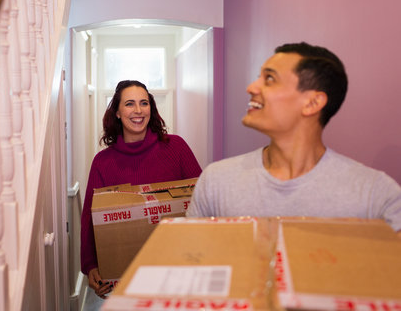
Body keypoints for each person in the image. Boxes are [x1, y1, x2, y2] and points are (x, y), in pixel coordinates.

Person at [186, 42, 401, 236]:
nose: (251, 87)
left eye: (269, 79)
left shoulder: (376, 195)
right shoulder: (216, 181)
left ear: (312, 103)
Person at [81, 80, 202, 299]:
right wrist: (90, 265)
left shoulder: (176, 148)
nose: (138, 110)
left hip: (177, 271)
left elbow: (203, 198)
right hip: (125, 278)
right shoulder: (103, 162)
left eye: (144, 103)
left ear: (151, 109)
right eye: (129, 104)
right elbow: (90, 217)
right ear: (117, 112)